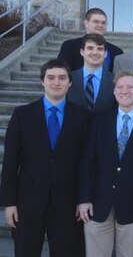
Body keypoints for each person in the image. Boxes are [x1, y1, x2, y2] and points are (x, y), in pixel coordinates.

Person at [0, 59, 91, 257]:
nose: (56, 82)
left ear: (70, 83)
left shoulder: (83, 117)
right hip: (28, 202)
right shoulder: (22, 114)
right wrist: (9, 203)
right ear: (42, 82)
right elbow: (10, 161)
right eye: (50, 77)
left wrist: (84, 199)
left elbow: (86, 163)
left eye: (61, 78)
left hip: (68, 202)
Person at [77, 71, 133, 257]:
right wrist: (84, 198)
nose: (125, 91)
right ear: (114, 91)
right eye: (120, 87)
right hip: (98, 204)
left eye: (130, 86)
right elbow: (87, 163)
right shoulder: (99, 121)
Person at [58, 7, 123, 72]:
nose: (100, 25)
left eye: (103, 23)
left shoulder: (117, 52)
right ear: (86, 23)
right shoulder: (69, 46)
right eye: (96, 21)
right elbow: (61, 72)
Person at [67, 33, 116, 113]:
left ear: (105, 54)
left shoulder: (115, 80)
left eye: (99, 49)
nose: (95, 53)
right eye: (90, 48)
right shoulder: (69, 78)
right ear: (82, 51)